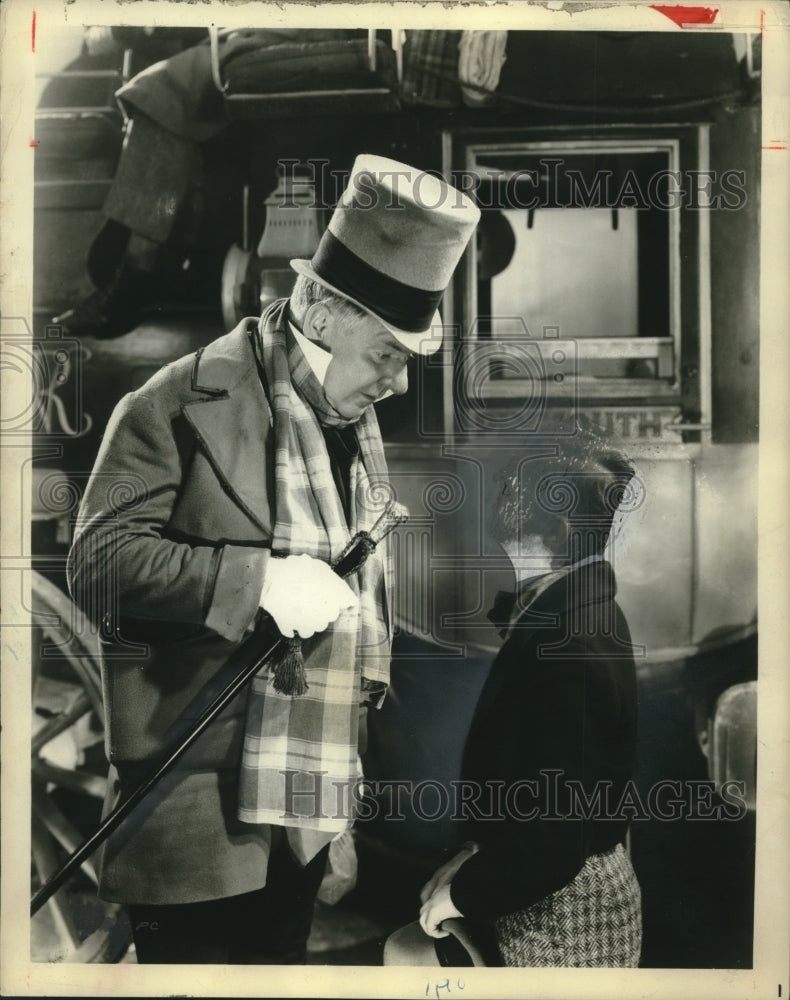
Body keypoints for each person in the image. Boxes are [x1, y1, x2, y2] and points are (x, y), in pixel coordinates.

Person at [67, 154, 480, 964]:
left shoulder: (350, 433)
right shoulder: (170, 405)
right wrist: (254, 582)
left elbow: (354, 650)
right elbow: (97, 562)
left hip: (303, 815)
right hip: (190, 816)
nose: (397, 384)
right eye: (388, 354)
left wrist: (341, 824)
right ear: (322, 311)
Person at [417, 422, 643, 967]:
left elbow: (553, 841)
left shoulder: (570, 648)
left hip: (566, 915)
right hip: (550, 891)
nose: (500, 498)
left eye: (516, 494)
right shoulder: (578, 609)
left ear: (560, 530)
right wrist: (474, 856)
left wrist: (465, 893)